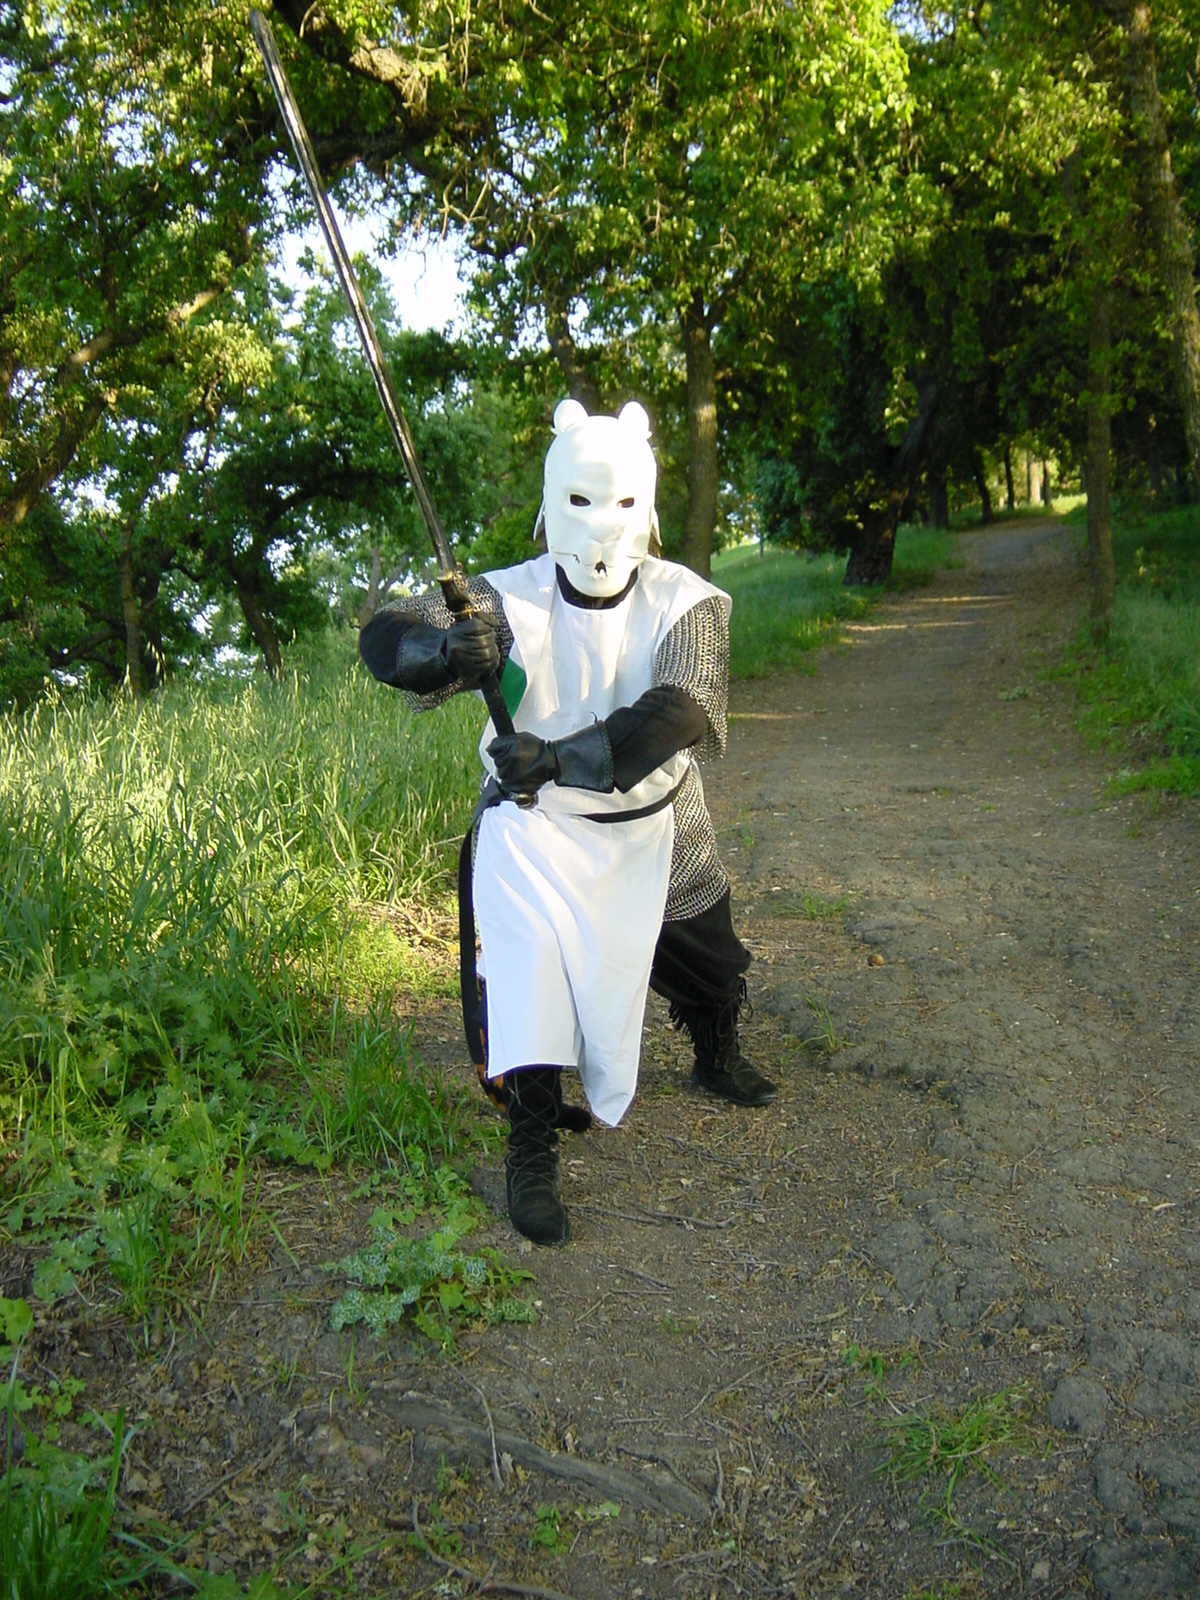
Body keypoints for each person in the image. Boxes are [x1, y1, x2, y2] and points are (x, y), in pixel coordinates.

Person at [359, 399, 775, 1246]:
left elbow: (681, 711)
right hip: (534, 831)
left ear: (646, 504)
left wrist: (556, 755)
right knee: (528, 985)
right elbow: (384, 636)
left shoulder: (686, 601)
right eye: (582, 499)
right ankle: (532, 1146)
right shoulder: (502, 599)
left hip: (657, 819)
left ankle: (715, 1047)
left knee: (709, 957)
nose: (601, 522)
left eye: (618, 500)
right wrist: (440, 652)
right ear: (553, 501)